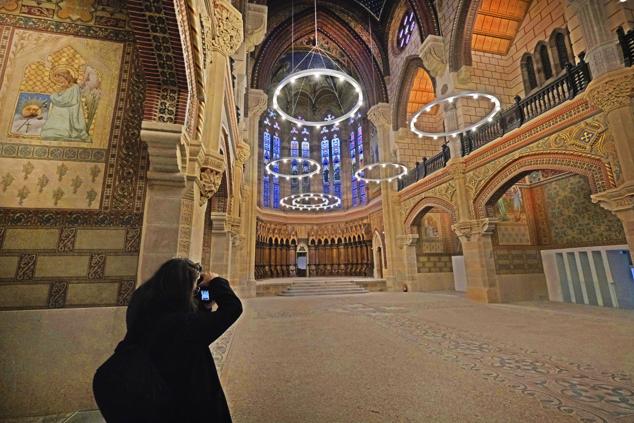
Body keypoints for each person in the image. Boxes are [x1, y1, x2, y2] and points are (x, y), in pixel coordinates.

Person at [97, 258, 243, 422]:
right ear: (181, 290)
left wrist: (205, 298)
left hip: (153, 392)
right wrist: (216, 281)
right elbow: (233, 308)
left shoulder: (146, 309)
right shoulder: (182, 326)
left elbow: (198, 311)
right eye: (193, 289)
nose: (195, 293)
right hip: (184, 401)